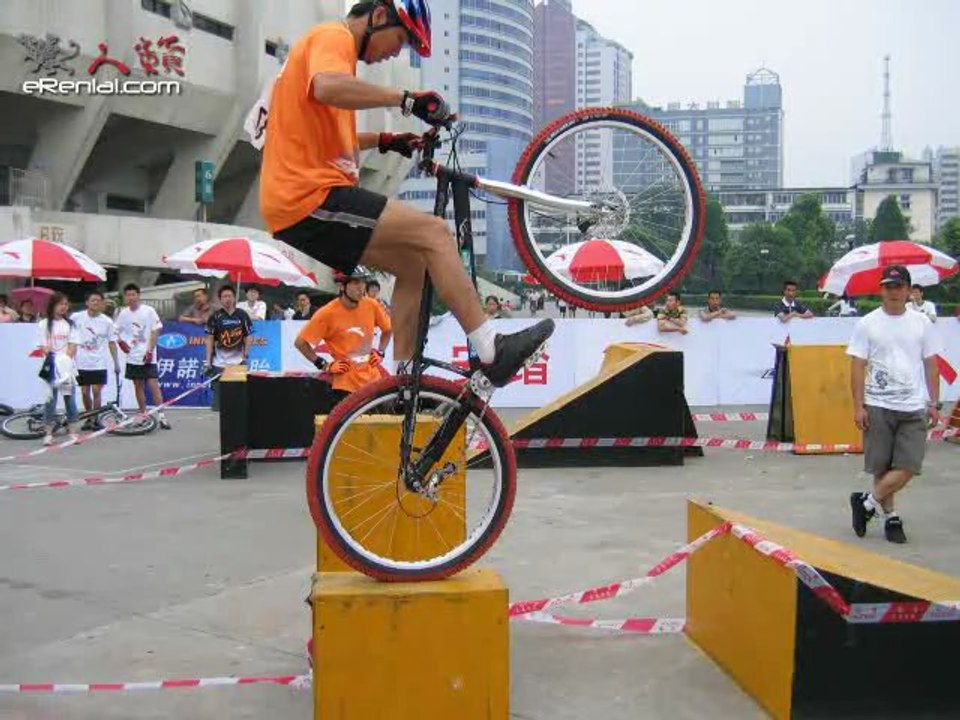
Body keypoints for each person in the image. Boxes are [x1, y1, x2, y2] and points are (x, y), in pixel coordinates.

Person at [258, 0, 553, 388]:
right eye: (400, 41)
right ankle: (492, 349)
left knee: (414, 265)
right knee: (434, 233)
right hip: (308, 198)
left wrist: (386, 140)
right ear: (379, 16)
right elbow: (328, 87)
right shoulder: (334, 37)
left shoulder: (330, 59)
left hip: (306, 199)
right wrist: (406, 99)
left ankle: (401, 378)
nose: (395, 53)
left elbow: (332, 141)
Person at [847, 265, 942, 545]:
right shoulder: (867, 323)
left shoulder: (922, 322)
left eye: (899, 286)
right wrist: (858, 405)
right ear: (881, 289)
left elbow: (931, 364)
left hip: (913, 405)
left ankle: (866, 503)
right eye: (888, 286)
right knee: (882, 465)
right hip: (877, 403)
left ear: (909, 291)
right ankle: (890, 517)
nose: (893, 292)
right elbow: (857, 365)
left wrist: (934, 402)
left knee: (910, 464)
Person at [293, 266, 392, 408]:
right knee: (347, 428)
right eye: (355, 283)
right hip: (345, 384)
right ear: (342, 287)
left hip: (373, 381)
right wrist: (324, 364)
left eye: (363, 282)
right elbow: (300, 343)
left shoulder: (371, 304)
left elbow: (388, 330)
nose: (361, 288)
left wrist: (381, 352)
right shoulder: (327, 313)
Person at [115, 283, 171, 429]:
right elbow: (115, 331)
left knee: (153, 384)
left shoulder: (148, 311)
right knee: (138, 385)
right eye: (128, 295)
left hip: (147, 354)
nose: (131, 297)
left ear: (138, 295)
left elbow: (156, 330)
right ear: (125, 297)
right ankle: (143, 413)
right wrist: (121, 342)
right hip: (133, 356)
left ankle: (162, 415)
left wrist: (150, 350)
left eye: (134, 294)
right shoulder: (123, 313)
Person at [36, 292, 81, 446]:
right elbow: (43, 346)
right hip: (51, 367)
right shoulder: (44, 324)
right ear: (53, 305)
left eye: (66, 304)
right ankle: (48, 434)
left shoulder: (70, 324)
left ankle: (73, 432)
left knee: (70, 400)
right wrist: (54, 361)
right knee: (50, 400)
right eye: (60, 303)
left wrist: (65, 363)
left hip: (67, 368)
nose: (63, 307)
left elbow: (72, 345)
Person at [70, 289, 120, 428]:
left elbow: (111, 342)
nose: (96, 303)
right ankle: (89, 417)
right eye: (93, 300)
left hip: (99, 362)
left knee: (97, 391)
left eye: (99, 300)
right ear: (87, 303)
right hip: (81, 362)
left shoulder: (107, 321)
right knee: (85, 392)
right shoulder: (76, 317)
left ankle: (95, 418)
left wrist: (116, 363)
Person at [204, 285, 254, 411]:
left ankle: (235, 429)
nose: (227, 299)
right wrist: (208, 361)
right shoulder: (215, 317)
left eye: (230, 296)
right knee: (219, 405)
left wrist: (246, 353)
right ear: (220, 299)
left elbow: (248, 336)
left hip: (237, 363)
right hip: (218, 363)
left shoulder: (242, 315)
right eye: (224, 296)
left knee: (237, 402)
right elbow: (209, 339)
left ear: (234, 298)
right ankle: (222, 429)